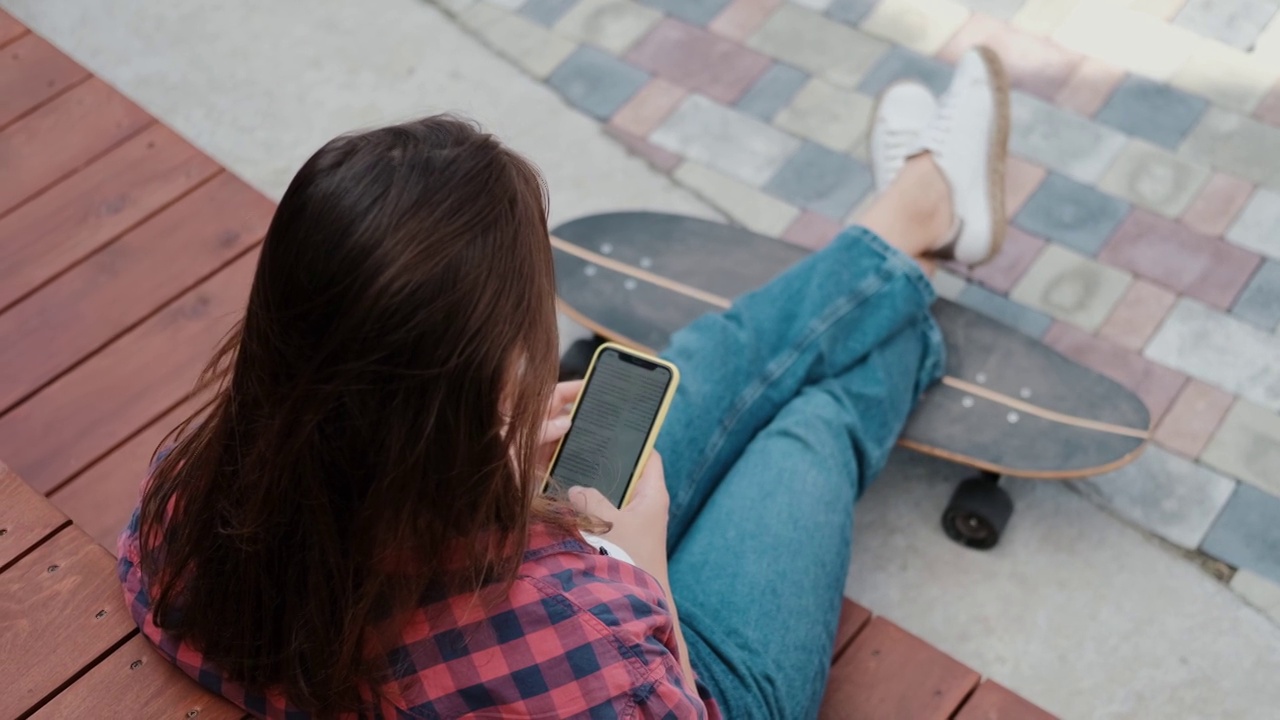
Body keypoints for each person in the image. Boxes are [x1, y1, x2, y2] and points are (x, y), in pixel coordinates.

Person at [118, 47, 1009, 719]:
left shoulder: (191, 495)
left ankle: (916, 215)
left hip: (477, 550)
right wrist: (641, 567)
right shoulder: (596, 647)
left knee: (684, 370)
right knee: (812, 422)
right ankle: (920, 240)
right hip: (664, 674)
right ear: (474, 402)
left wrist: (498, 465)